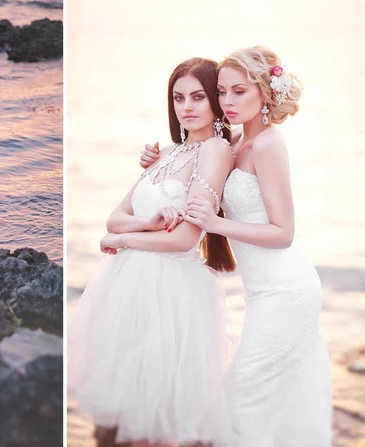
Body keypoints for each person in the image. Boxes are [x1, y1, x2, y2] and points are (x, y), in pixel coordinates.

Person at [140, 46, 333, 446]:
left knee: (242, 399)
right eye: (223, 92)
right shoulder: (237, 140)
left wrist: (216, 223)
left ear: (264, 93)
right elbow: (200, 168)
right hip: (260, 292)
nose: (227, 102)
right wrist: (156, 164)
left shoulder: (267, 146)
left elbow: (284, 232)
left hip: (287, 290)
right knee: (261, 402)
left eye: (239, 92)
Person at [68, 57, 236, 447]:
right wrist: (145, 223)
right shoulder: (166, 154)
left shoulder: (215, 151)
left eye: (198, 96)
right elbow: (115, 218)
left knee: (162, 416)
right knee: (131, 410)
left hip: (171, 292)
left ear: (215, 99)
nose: (187, 107)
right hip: (128, 286)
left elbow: (183, 240)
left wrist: (123, 241)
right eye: (178, 98)